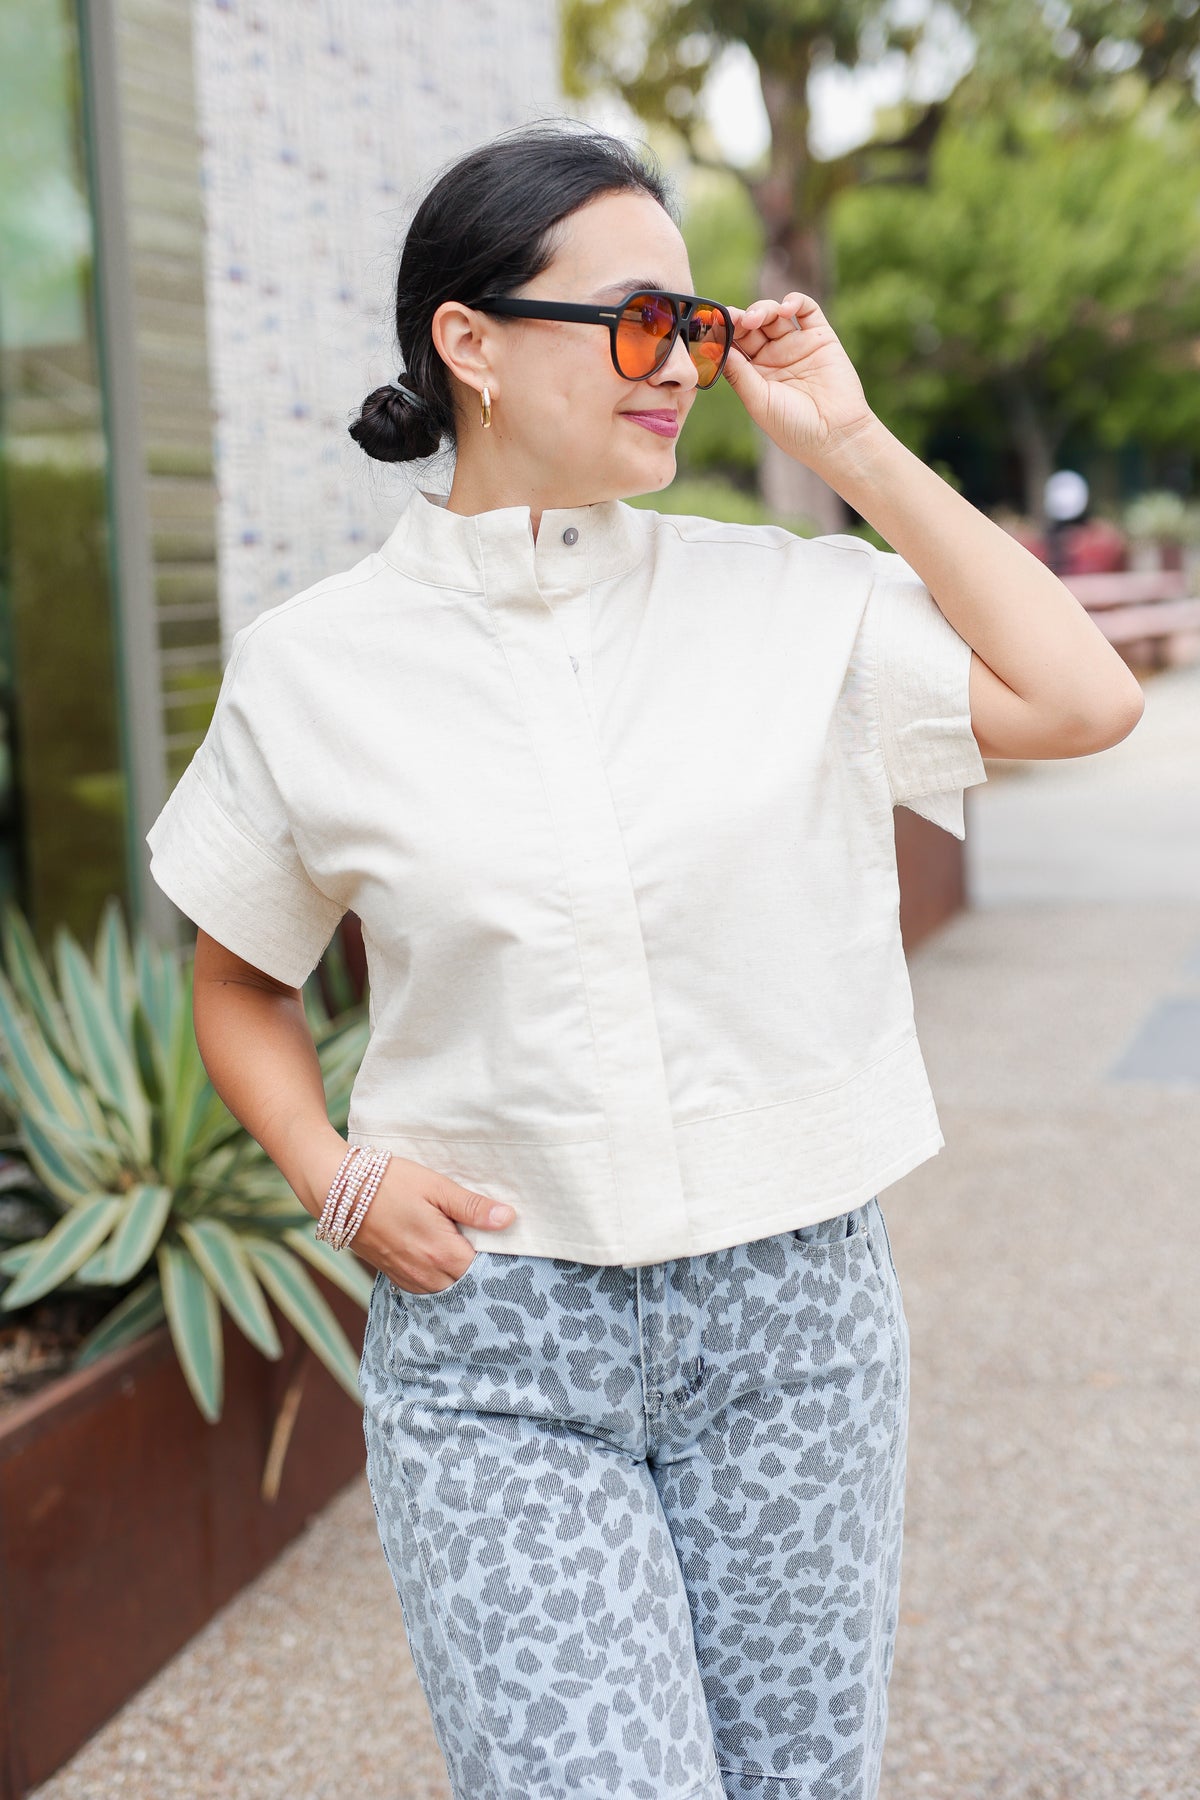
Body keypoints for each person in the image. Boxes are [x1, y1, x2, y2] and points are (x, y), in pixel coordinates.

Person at [144, 119, 1144, 1800]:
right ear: (466, 341)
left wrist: (858, 446)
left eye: (686, 325)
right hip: (499, 1344)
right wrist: (332, 1175)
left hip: (796, 1325)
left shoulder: (789, 604)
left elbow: (1082, 697)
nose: (675, 364)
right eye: (629, 322)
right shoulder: (317, 669)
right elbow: (237, 975)